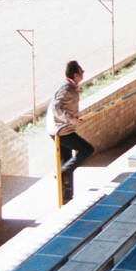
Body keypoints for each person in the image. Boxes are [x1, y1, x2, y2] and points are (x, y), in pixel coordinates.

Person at [49, 60, 94, 203]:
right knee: (87, 149)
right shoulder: (66, 89)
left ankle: (66, 197)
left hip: (63, 129)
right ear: (75, 75)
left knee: (67, 160)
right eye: (81, 71)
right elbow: (56, 108)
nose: (83, 73)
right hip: (62, 131)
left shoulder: (71, 87)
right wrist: (70, 119)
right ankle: (63, 173)